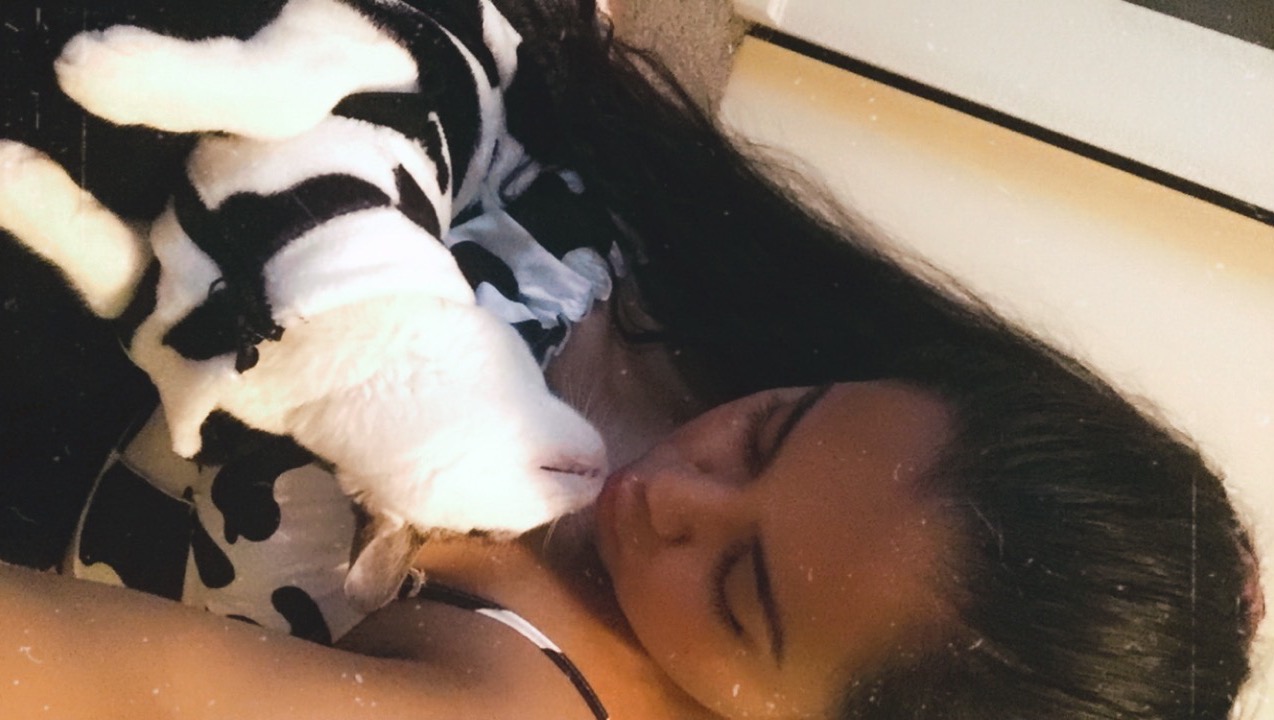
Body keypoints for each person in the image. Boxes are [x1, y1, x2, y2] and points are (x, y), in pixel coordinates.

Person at [0, 0, 1263, 718]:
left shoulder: (518, 695)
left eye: (739, 591)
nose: (670, 494)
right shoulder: (735, 316)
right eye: (771, 429)